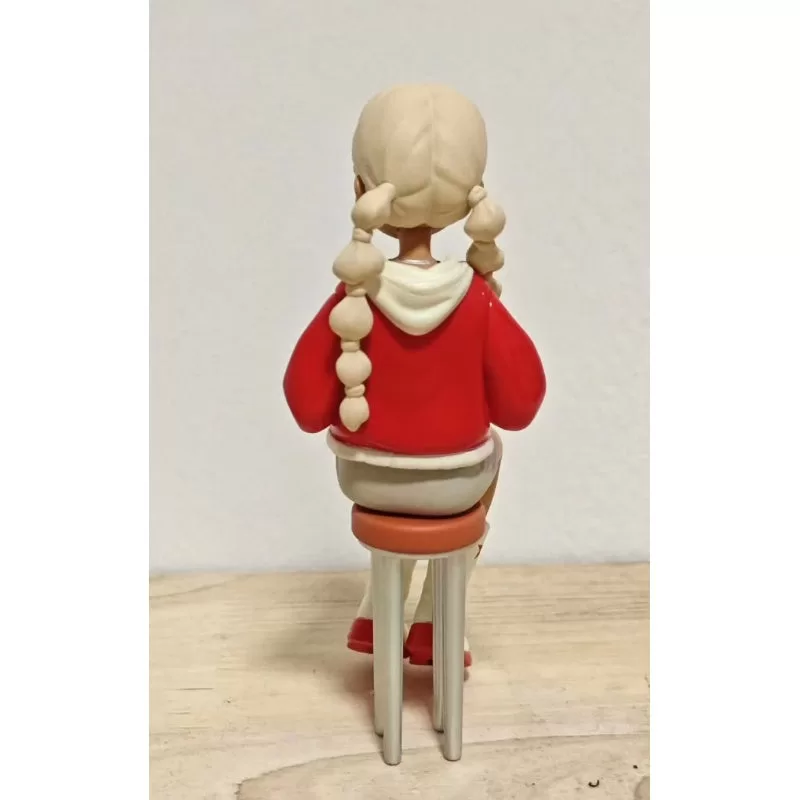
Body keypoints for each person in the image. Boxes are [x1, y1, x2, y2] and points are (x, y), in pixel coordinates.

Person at [283, 84, 546, 666]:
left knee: (405, 502)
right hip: (454, 486)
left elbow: (305, 405)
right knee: (491, 457)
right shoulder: (477, 299)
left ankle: (377, 612)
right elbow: (520, 406)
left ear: (361, 189)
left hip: (365, 480)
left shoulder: (353, 299)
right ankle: (433, 620)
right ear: (470, 199)